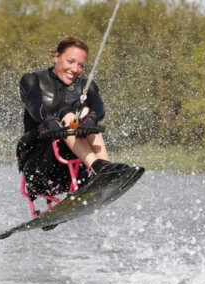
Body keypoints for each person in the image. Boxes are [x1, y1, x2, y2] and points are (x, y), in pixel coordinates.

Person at [17, 37, 127, 199]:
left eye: (81, 65)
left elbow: (98, 108)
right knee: (67, 113)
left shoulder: (86, 86)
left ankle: (104, 168)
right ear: (56, 57)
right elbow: (34, 105)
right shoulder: (31, 80)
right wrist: (50, 122)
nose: (75, 69)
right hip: (39, 165)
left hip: (73, 169)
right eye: (70, 61)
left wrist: (90, 120)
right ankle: (97, 166)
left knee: (86, 114)